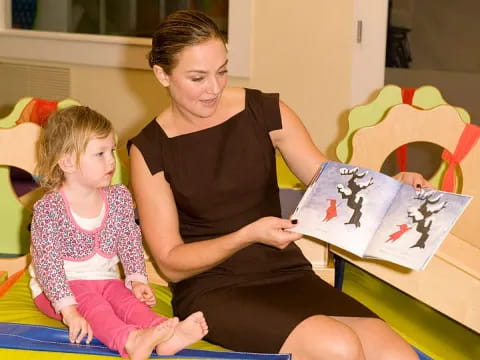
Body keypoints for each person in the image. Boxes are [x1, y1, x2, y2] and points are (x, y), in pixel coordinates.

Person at [129, 10, 427, 360]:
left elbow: (329, 182)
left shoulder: (264, 110)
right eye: (197, 78)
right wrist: (246, 235)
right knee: (339, 347)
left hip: (284, 272)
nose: (214, 88)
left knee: (397, 355)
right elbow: (171, 262)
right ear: (162, 75)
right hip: (214, 286)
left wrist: (392, 188)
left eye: (222, 71)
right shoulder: (149, 149)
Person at [29, 106, 208, 360]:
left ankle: (166, 334)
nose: (111, 160)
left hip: (107, 280)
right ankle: (131, 340)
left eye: (111, 150)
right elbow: (47, 265)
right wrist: (68, 310)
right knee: (96, 307)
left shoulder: (119, 198)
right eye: (99, 154)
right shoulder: (50, 208)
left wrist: (137, 279)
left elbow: (129, 240)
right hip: (60, 291)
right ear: (67, 161)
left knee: (128, 303)